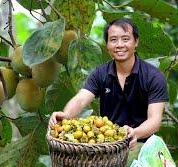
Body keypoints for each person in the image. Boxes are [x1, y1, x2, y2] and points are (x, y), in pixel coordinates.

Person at [49, 18, 168, 149]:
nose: (119, 45)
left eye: (125, 39)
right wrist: (66, 116)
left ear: (136, 42)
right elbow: (81, 99)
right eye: (113, 40)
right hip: (108, 147)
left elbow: (154, 121)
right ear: (107, 46)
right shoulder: (101, 73)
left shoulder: (153, 76)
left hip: (142, 145)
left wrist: (136, 133)